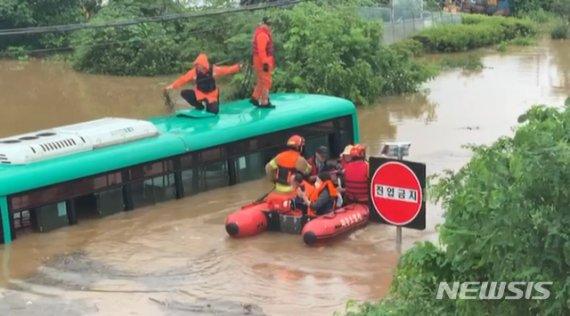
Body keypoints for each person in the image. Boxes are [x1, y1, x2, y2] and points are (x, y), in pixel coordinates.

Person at [165, 53, 242, 114]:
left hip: (211, 95)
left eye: (199, 65)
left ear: (204, 65)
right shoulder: (194, 72)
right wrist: (173, 85)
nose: (198, 67)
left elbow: (226, 70)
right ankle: (199, 106)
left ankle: (210, 105)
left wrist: (238, 67)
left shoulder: (214, 70)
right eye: (197, 65)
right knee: (184, 93)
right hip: (200, 94)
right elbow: (183, 79)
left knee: (214, 111)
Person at [264, 135, 312, 210]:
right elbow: (308, 171)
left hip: (278, 189)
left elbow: (268, 168)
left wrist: (274, 180)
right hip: (293, 191)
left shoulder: (279, 156)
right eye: (302, 146)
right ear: (298, 147)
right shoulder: (300, 159)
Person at [250, 17, 275, 108]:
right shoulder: (262, 35)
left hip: (261, 60)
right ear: (263, 24)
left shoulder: (262, 33)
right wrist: (265, 63)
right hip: (262, 61)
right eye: (268, 24)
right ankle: (265, 101)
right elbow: (261, 51)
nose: (269, 26)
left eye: (270, 24)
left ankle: (255, 97)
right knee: (266, 81)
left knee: (261, 80)